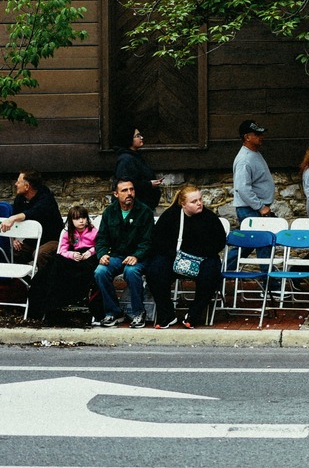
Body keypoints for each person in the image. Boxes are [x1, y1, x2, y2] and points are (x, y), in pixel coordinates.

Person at [146, 184, 227, 328]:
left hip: (203, 258)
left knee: (211, 272)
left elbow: (219, 242)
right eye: (194, 201)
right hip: (175, 257)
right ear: (183, 204)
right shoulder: (171, 216)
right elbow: (158, 240)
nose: (199, 203)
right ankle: (166, 314)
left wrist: (200, 254)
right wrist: (174, 254)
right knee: (155, 270)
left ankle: (193, 314)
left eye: (200, 199)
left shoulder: (209, 218)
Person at [92, 178, 155, 327]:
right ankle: (113, 312)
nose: (129, 193)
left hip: (139, 257)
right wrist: (102, 254)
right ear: (116, 194)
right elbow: (101, 238)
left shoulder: (144, 211)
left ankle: (138, 312)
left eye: (131, 189)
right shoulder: (109, 212)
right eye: (124, 190)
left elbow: (148, 241)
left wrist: (136, 256)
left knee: (131, 271)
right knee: (100, 271)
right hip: (117, 255)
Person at [30, 204, 98, 325]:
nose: (81, 221)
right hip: (73, 257)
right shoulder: (68, 232)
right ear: (71, 221)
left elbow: (100, 246)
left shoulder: (93, 231)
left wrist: (90, 252)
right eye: (77, 218)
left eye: (83, 217)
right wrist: (72, 255)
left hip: (89, 258)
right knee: (55, 262)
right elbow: (61, 250)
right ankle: (44, 302)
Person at [0, 170, 64, 270]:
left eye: (18, 182)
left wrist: (12, 218)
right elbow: (16, 220)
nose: (16, 184)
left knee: (41, 254)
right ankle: (23, 282)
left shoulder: (46, 198)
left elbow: (34, 212)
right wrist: (14, 239)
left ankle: (45, 283)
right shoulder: (20, 199)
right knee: (13, 251)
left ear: (27, 186)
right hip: (32, 240)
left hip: (53, 239)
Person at [232, 120, 275, 222]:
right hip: (250, 210)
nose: (261, 136)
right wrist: (260, 207)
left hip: (254, 209)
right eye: (257, 134)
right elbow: (242, 188)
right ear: (247, 137)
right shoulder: (244, 160)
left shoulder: (254, 153)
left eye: (261, 134)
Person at [114, 127, 162, 213]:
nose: (141, 137)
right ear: (129, 140)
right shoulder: (126, 159)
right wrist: (149, 184)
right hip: (135, 209)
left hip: (143, 207)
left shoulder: (135, 156)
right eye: (137, 136)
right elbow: (125, 184)